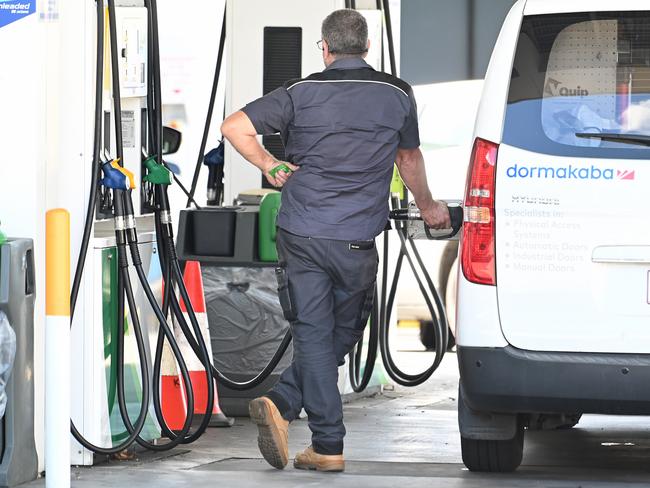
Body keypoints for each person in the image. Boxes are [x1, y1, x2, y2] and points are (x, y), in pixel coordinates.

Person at [221, 8, 450, 473]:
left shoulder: (300, 92)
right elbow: (408, 158)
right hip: (357, 239)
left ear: (324, 49)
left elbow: (233, 127)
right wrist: (428, 206)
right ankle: (326, 441)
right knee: (335, 335)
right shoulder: (397, 93)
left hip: (303, 231)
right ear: (367, 47)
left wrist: (270, 165)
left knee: (318, 336)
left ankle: (286, 405)